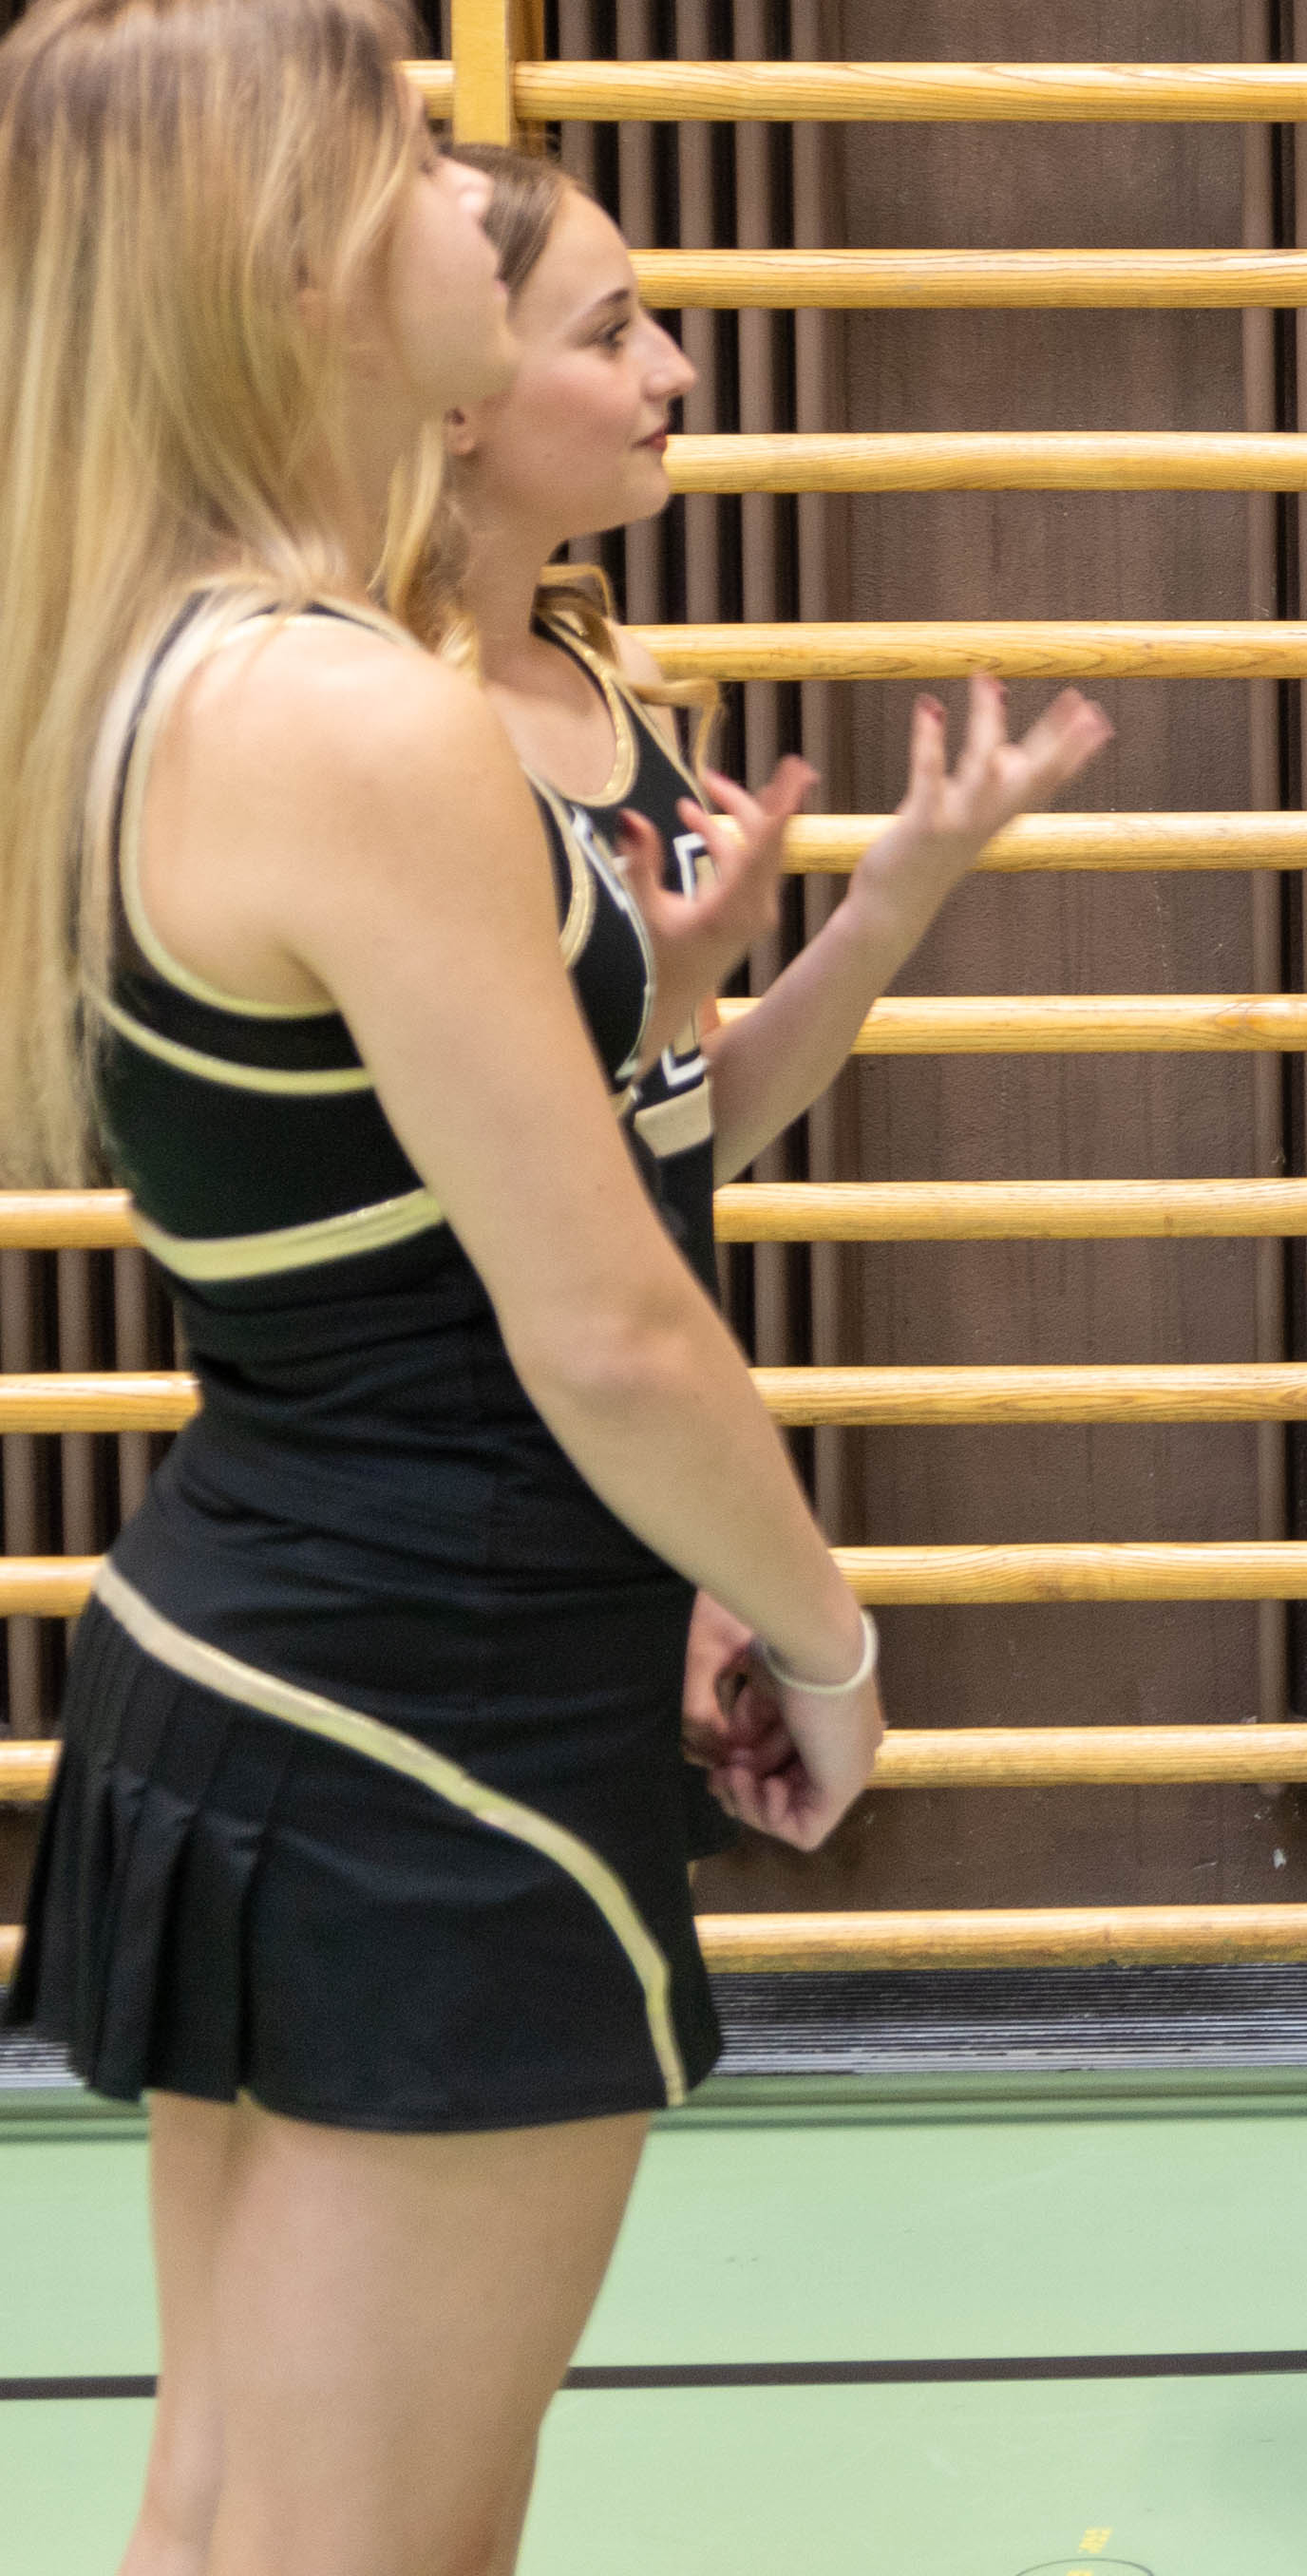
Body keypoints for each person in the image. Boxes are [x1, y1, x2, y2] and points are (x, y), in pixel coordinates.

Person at [0, 0, 881, 2576]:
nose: (473, 191)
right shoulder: (352, 712)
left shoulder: (182, 667)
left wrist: (693, 993)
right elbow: (604, 1325)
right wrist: (819, 1638)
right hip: (420, 1717)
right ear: (289, 263)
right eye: (414, 146)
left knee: (229, 2522)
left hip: (271, 1652)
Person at [390, 143, 1108, 1771]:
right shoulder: (393, 736)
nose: (673, 370)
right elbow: (481, 1210)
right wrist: (813, 1630)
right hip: (451, 1519)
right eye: (609, 331)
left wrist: (890, 901)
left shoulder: (606, 670)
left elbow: (669, 1140)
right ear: (452, 395)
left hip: (611, 1503)